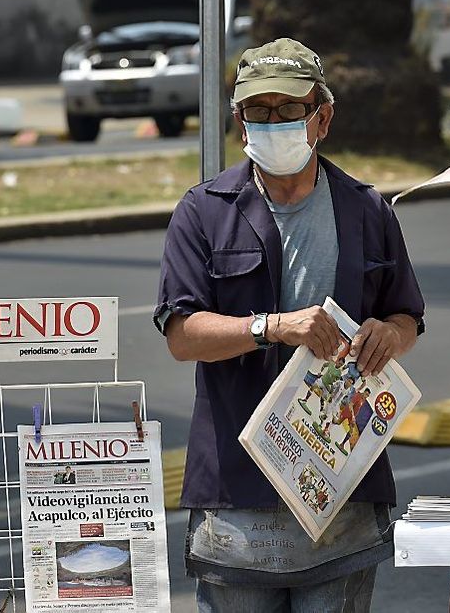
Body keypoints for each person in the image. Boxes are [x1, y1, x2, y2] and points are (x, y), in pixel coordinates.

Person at [153, 37, 425, 612]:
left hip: (341, 492)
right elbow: (183, 336)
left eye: (289, 109)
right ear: (239, 121)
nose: (273, 123)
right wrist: (270, 327)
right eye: (259, 110)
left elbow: (407, 317)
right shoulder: (203, 212)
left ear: (321, 117)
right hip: (237, 496)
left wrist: (388, 335)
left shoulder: (367, 209)